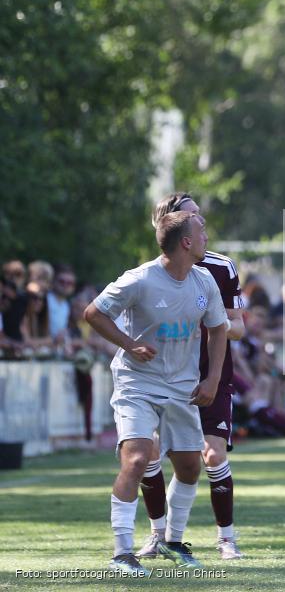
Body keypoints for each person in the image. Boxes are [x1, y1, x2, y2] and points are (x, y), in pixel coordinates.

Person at [85, 211, 228, 575]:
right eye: (201, 232)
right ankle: (122, 553)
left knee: (189, 467)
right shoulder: (140, 280)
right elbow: (93, 313)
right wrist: (129, 344)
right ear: (186, 242)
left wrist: (212, 380)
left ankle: (172, 541)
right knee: (136, 460)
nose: (206, 237)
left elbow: (218, 330)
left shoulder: (205, 281)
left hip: (183, 387)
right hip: (138, 383)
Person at [134, 193, 248, 561]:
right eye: (192, 216)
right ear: (172, 227)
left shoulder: (221, 268)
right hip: (165, 377)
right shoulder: (152, 273)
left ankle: (226, 538)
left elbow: (240, 328)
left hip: (211, 374)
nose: (202, 224)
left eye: (200, 215)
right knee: (150, 452)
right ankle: (158, 535)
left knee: (211, 456)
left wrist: (211, 320)